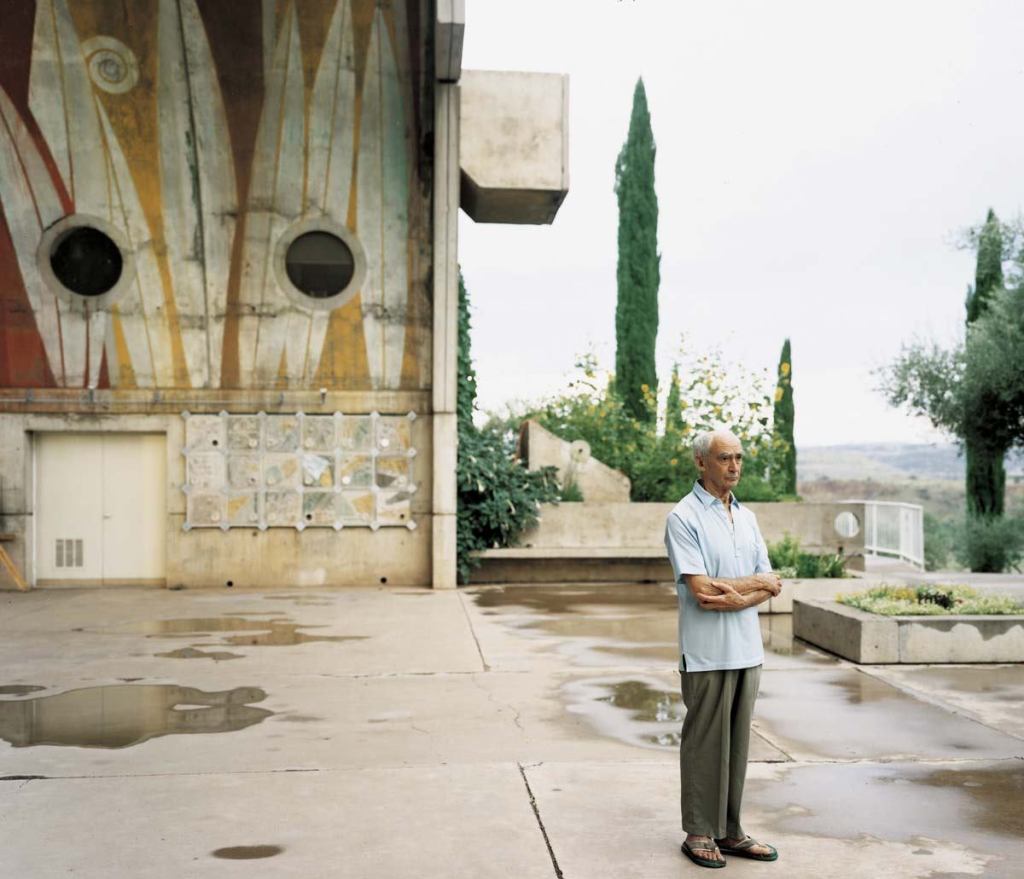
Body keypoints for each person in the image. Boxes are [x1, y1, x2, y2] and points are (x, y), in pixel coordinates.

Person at [663, 428, 782, 869]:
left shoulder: (747, 518)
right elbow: (700, 589)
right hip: (706, 652)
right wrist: (752, 586)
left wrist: (738, 595)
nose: (734, 466)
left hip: (748, 650)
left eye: (738, 458)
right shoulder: (684, 517)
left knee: (736, 747)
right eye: (724, 458)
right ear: (701, 463)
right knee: (704, 744)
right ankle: (698, 831)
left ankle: (730, 831)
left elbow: (771, 584)